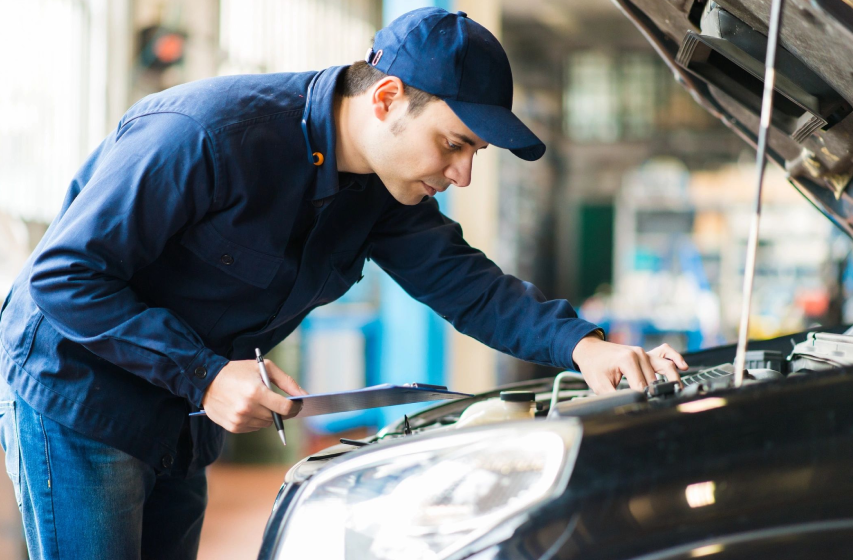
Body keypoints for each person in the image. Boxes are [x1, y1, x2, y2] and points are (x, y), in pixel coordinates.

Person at [0, 7, 688, 560]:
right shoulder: (205, 135)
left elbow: (469, 287)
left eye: (472, 154)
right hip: (80, 391)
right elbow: (64, 275)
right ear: (387, 97)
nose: (462, 175)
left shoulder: (385, 193)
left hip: (182, 409)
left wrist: (583, 347)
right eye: (454, 143)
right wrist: (206, 374)